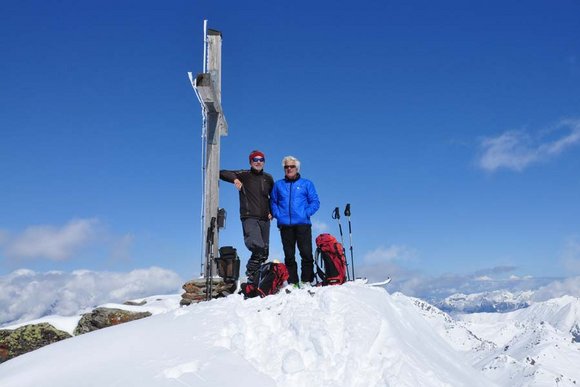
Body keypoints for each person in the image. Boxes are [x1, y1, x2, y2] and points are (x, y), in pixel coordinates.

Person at [220, 150, 274, 283]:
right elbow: (222, 173)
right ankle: (250, 274)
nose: (258, 162)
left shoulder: (268, 178)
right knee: (257, 246)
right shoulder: (244, 174)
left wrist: (272, 211)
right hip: (249, 217)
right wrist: (235, 179)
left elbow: (273, 197)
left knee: (264, 252)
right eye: (255, 159)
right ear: (250, 161)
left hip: (265, 219)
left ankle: (257, 279)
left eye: (261, 159)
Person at [270, 156, 320, 285]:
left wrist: (306, 213)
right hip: (285, 225)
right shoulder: (278, 185)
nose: (289, 169)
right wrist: (278, 215)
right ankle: (293, 282)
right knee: (289, 255)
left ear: (297, 168)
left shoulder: (306, 184)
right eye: (286, 167)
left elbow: (315, 202)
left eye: (291, 166)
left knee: (306, 253)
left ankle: (306, 281)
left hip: (303, 224)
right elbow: (273, 202)